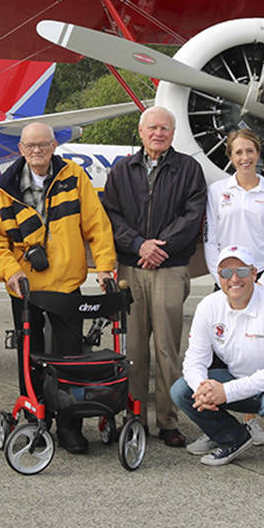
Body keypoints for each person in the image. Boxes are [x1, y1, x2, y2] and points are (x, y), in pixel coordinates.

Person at [0, 121, 115, 454]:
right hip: (25, 289)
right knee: (30, 357)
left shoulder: (73, 177)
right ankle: (34, 420)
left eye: (43, 145)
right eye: (30, 146)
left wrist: (105, 267)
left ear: (54, 145)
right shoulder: (6, 188)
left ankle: (70, 425)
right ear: (21, 150)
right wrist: (9, 271)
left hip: (66, 285)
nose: (37, 151)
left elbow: (97, 224)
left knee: (69, 358)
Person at [102, 106, 206, 448]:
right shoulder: (121, 170)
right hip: (131, 269)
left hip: (170, 268)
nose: (158, 133)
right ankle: (133, 415)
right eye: (152, 127)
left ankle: (168, 420)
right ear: (141, 131)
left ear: (173, 133)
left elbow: (193, 215)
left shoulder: (188, 169)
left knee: (167, 349)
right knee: (133, 350)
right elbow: (111, 215)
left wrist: (160, 247)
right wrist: (137, 244)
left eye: (164, 128)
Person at [170, 245, 264, 480]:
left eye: (241, 270)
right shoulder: (208, 306)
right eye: (226, 273)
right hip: (244, 383)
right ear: (218, 277)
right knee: (182, 390)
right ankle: (234, 439)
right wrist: (203, 388)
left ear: (254, 273)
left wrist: (225, 392)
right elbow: (194, 360)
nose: (234, 279)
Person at [195, 128, 264, 453]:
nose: (245, 158)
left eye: (250, 151)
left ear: (258, 154)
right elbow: (210, 240)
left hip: (261, 280)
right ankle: (220, 427)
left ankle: (253, 421)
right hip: (227, 281)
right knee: (219, 355)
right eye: (238, 152)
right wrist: (223, 279)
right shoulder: (217, 190)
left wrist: (261, 283)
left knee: (258, 353)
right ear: (230, 156)